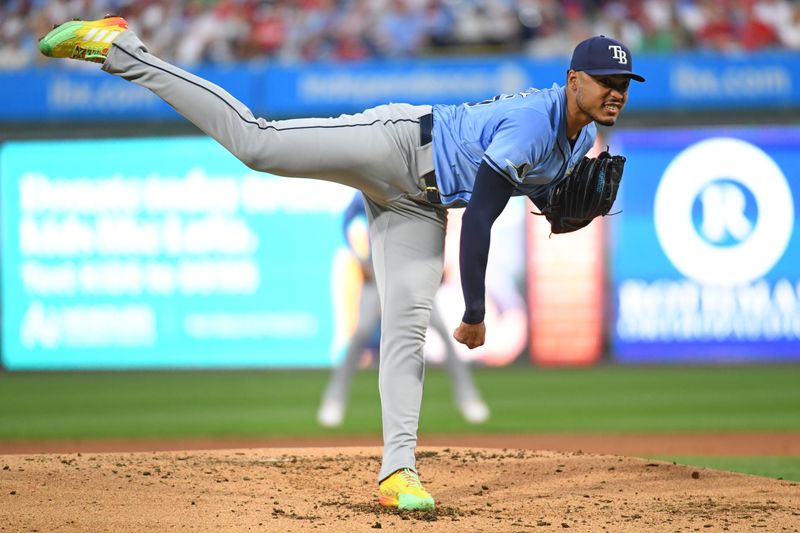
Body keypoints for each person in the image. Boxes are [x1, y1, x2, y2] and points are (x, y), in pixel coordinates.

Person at [38, 17, 644, 511]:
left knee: (405, 325)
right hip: (399, 144)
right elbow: (482, 217)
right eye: (603, 78)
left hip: (420, 205)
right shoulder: (536, 124)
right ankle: (121, 47)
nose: (615, 90)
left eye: (624, 82)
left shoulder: (571, 140)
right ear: (572, 81)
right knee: (258, 143)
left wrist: (558, 206)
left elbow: (536, 196)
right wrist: (477, 310)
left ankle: (397, 472)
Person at [319, 192, 489, 428]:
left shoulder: (415, 185)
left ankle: (468, 397)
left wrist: (436, 263)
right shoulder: (370, 186)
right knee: (361, 333)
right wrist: (360, 259)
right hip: (377, 272)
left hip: (413, 273)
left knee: (441, 330)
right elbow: (346, 219)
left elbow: (437, 223)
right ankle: (334, 399)